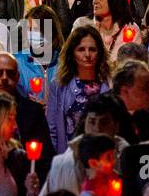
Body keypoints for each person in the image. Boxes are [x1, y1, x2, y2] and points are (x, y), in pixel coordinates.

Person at [46, 25, 111, 155]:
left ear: (99, 53)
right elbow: (52, 129)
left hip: (101, 158)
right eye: (81, 49)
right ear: (72, 53)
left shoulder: (110, 85)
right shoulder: (58, 85)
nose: (87, 54)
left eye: (92, 49)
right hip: (68, 157)